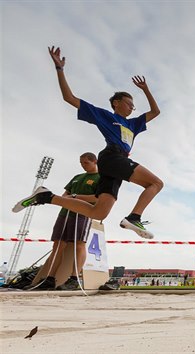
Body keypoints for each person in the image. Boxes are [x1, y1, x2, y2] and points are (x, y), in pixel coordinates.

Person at [13, 46, 163, 239]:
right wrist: (60, 70)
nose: (132, 108)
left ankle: (46, 197)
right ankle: (134, 217)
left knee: (98, 213)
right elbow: (69, 98)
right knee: (156, 183)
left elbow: (155, 112)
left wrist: (146, 90)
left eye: (134, 107)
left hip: (115, 164)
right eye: (129, 104)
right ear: (116, 103)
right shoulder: (105, 116)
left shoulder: (134, 124)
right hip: (112, 156)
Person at [27, 153, 100, 290]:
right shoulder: (77, 177)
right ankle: (50, 278)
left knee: (79, 244)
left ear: (95, 161)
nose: (83, 165)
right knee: (58, 245)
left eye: (86, 163)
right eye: (81, 163)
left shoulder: (100, 178)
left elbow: (96, 198)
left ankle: (74, 278)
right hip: (65, 213)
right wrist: (70, 198)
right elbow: (64, 195)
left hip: (83, 214)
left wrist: (75, 197)